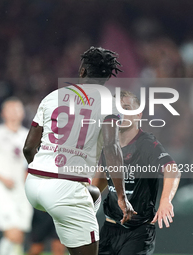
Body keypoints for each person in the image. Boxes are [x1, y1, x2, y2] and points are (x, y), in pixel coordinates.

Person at [23, 46, 136, 255]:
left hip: (33, 183)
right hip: (66, 189)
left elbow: (29, 148)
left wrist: (42, 171)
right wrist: (121, 195)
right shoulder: (108, 103)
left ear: (82, 71)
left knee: (93, 194)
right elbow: (111, 148)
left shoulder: (52, 96)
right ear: (107, 78)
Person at [93, 90, 181, 255]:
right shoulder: (108, 145)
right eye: (117, 108)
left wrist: (165, 201)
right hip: (109, 228)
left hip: (138, 233)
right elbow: (104, 177)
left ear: (138, 114)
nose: (121, 113)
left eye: (127, 108)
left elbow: (172, 170)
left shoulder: (147, 144)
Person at [0, 97, 33, 255]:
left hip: (23, 191)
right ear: (3, 113)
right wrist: (1, 178)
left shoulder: (28, 136)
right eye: (11, 109)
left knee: (19, 236)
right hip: (3, 191)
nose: (15, 113)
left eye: (18, 109)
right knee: (12, 234)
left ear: (23, 113)